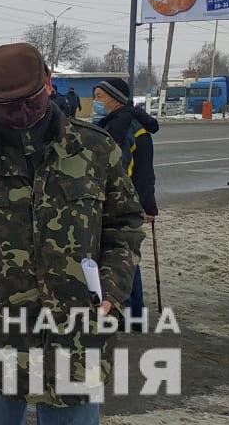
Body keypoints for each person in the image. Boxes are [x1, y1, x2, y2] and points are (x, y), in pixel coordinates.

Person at [0, 43, 144, 422]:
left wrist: (111, 293)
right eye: (8, 106)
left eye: (31, 101)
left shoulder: (94, 149)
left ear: (49, 84)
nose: (22, 114)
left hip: (77, 337)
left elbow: (124, 223)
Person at [93, 77, 158, 327]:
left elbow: (138, 171)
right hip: (120, 201)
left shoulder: (124, 127)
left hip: (119, 203)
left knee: (121, 256)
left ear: (115, 99)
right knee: (122, 255)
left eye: (99, 96)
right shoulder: (116, 123)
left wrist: (146, 206)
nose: (96, 102)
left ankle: (131, 315)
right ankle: (131, 314)